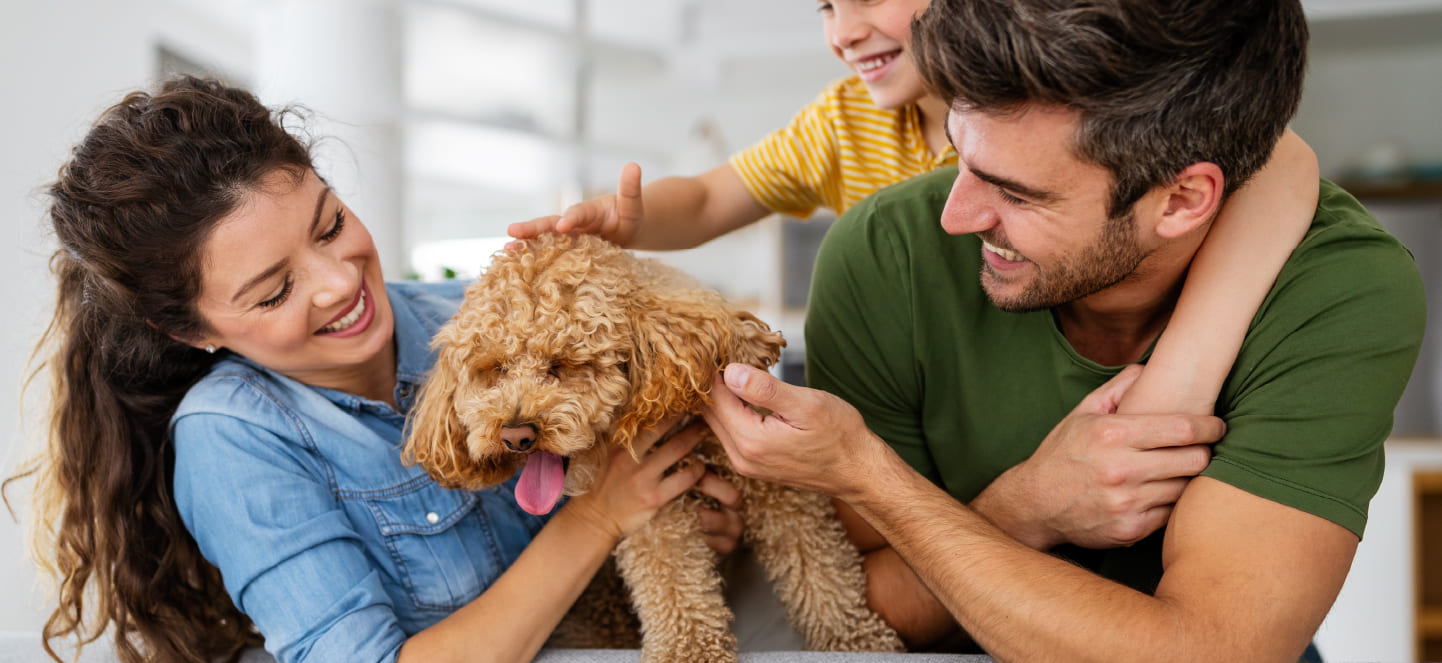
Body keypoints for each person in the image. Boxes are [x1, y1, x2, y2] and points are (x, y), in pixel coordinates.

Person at [701, 0, 1427, 661]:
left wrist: (869, 469)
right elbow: (869, 611)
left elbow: (1209, 651)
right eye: (960, 154)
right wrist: (1028, 506)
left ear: (1181, 199)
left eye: (1015, 192)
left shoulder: (1338, 286)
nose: (957, 215)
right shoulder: (885, 251)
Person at [9, 76, 743, 663]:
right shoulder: (231, 442)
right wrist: (598, 516)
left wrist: (687, 520)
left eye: (330, 225)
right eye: (275, 291)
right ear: (189, 330)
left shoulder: (474, 317)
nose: (338, 282)